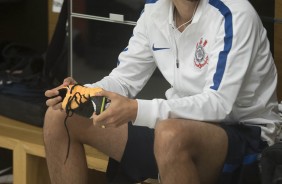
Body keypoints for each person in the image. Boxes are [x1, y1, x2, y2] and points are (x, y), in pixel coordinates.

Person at [44, 0, 282, 183]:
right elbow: (124, 78)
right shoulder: (154, 10)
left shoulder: (235, 13)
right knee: (61, 114)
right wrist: (83, 92)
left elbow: (218, 104)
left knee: (170, 134)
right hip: (175, 126)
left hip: (246, 136)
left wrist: (136, 109)